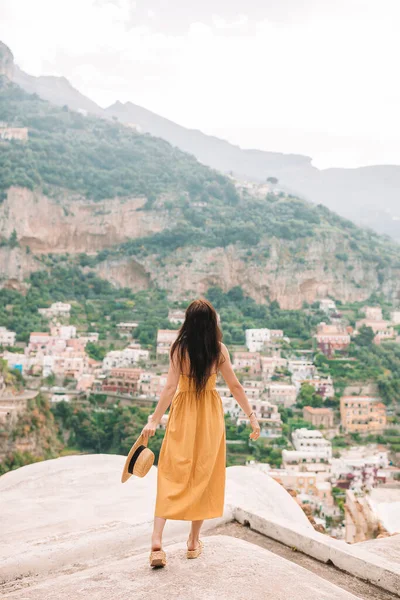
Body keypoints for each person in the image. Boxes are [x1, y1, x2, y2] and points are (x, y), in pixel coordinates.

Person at [141, 298, 260, 567]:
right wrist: (252, 417)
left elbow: (170, 388)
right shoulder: (218, 350)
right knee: (204, 474)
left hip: (183, 413)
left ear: (187, 322)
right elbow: (236, 386)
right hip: (209, 415)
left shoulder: (178, 349)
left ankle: (157, 542)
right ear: (211, 323)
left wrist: (154, 420)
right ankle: (193, 543)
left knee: (172, 472)